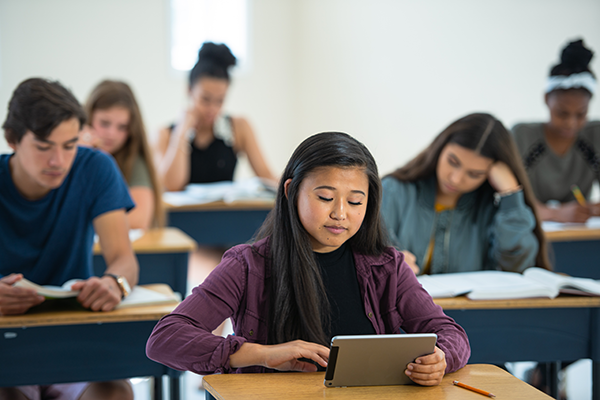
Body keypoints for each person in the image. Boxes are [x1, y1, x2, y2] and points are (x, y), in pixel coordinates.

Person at [146, 132, 470, 385]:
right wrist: (262, 355)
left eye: (356, 202)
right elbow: (166, 338)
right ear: (291, 191)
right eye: (325, 197)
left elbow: (451, 334)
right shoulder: (248, 264)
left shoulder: (387, 266)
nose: (340, 214)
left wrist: (440, 357)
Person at [0, 78, 138, 400]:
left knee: (115, 392)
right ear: (12, 139)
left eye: (69, 145)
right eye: (44, 147)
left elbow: (123, 259)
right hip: (7, 345)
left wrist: (114, 283)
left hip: (74, 339)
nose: (58, 161)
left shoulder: (96, 167)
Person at [381, 113, 550, 275]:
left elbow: (516, 268)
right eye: (452, 162)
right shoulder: (393, 191)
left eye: (474, 174)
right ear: (439, 148)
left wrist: (511, 195)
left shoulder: (492, 207)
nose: (455, 179)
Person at [155, 42, 276, 191]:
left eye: (220, 101)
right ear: (189, 90)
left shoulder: (239, 127)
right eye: (205, 99)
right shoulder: (165, 134)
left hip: (226, 213)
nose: (212, 109)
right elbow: (170, 185)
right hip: (184, 214)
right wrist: (182, 130)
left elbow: (266, 175)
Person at [512, 39, 600, 223]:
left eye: (581, 114)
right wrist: (555, 213)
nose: (571, 123)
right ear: (546, 99)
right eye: (562, 113)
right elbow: (507, 201)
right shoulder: (522, 136)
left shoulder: (595, 136)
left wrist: (591, 209)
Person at [82, 79, 164, 229]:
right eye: (104, 123)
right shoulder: (70, 154)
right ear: (88, 118)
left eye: (122, 127)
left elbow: (139, 219)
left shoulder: (133, 160)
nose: (112, 134)